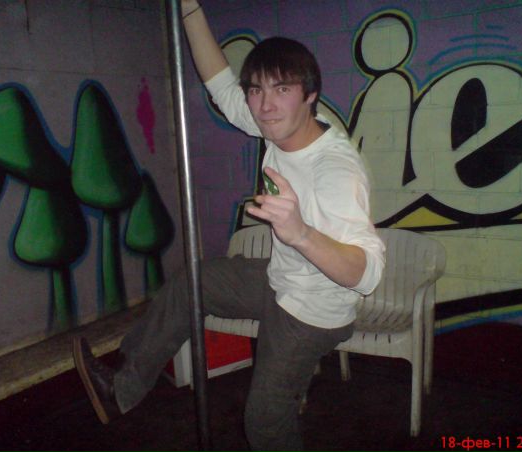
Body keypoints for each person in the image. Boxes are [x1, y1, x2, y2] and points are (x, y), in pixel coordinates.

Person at [72, 1, 385, 450]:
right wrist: (190, 9)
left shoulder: (334, 169)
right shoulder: (278, 125)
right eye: (256, 90)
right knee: (194, 283)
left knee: (265, 419)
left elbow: (366, 273)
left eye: (281, 89)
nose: (265, 105)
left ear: (310, 95)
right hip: (282, 281)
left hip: (314, 311)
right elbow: (220, 84)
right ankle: (121, 390)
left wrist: (300, 233)